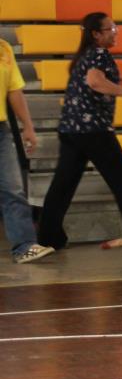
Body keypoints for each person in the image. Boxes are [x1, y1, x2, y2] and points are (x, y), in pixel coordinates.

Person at [38, 12, 122, 250]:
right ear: (96, 34)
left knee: (63, 185)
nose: (116, 32)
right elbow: (95, 82)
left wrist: (117, 84)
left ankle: (48, 237)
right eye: (111, 29)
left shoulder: (85, 55)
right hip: (93, 130)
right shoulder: (99, 53)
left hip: (71, 129)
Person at [0, 39, 54, 263]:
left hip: (0, 130)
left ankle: (24, 246)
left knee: (13, 188)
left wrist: (28, 126)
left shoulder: (4, 48)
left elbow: (14, 90)